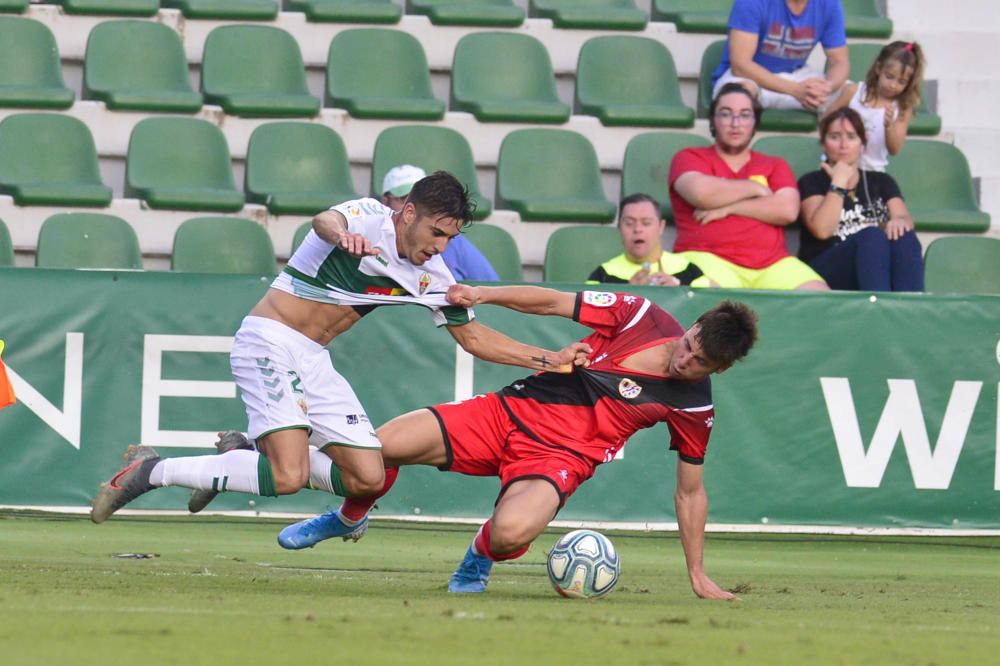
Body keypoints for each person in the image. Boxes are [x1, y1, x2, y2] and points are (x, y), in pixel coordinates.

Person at [90, 172, 590, 526]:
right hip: (268, 338)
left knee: (368, 481)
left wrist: (549, 359)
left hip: (313, 360)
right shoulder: (367, 218)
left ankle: (244, 454)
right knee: (288, 476)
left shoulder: (430, 273)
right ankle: (150, 471)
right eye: (435, 233)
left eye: (449, 239)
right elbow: (322, 221)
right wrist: (344, 237)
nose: (439, 247)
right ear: (408, 211)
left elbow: (474, 337)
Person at [277, 284, 759, 601]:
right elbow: (551, 301)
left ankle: (479, 555)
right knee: (372, 449)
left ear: (720, 369)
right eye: (689, 345)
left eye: (698, 363)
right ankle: (348, 517)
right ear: (692, 326)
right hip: (502, 413)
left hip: (559, 459)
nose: (684, 362)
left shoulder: (695, 404)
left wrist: (696, 572)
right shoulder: (641, 317)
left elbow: (690, 491)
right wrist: (483, 294)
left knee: (511, 534)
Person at [669, 83, 828, 290]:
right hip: (708, 258)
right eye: (726, 114)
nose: (736, 123)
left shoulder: (774, 165)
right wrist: (755, 188)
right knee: (706, 298)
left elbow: (787, 210)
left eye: (745, 115)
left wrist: (727, 208)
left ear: (755, 122)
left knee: (820, 298)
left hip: (772, 264)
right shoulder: (690, 157)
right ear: (713, 121)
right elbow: (701, 194)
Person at [797, 107, 923, 292]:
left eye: (851, 136)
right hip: (827, 269)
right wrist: (838, 183)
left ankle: (910, 309)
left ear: (862, 144)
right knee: (872, 237)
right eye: (834, 137)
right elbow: (822, 230)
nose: (843, 144)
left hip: (874, 268)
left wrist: (898, 221)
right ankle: (877, 311)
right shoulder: (812, 182)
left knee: (905, 237)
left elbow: (904, 218)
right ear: (824, 143)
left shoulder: (881, 181)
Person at [713, 0, 849, 112]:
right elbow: (740, 65)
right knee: (737, 99)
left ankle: (827, 138)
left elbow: (839, 61)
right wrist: (794, 90)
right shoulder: (752, 2)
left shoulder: (829, 4)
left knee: (854, 96)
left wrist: (827, 87)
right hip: (751, 78)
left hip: (796, 74)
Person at [382, 165, 499, 282]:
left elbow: (491, 284)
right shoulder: (369, 232)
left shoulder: (457, 243)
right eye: (404, 198)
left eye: (429, 200)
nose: (442, 248)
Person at [823, 41, 926, 172]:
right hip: (839, 168)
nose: (893, 85)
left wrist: (889, 126)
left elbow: (894, 149)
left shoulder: (902, 108)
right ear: (878, 68)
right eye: (889, 77)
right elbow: (825, 121)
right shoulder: (853, 92)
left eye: (901, 82)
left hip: (873, 172)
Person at [587, 193, 715, 288]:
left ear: (661, 227)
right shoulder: (602, 276)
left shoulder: (688, 271)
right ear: (619, 228)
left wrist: (680, 292)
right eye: (629, 223)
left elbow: (709, 308)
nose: (637, 229)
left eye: (646, 223)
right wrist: (628, 293)